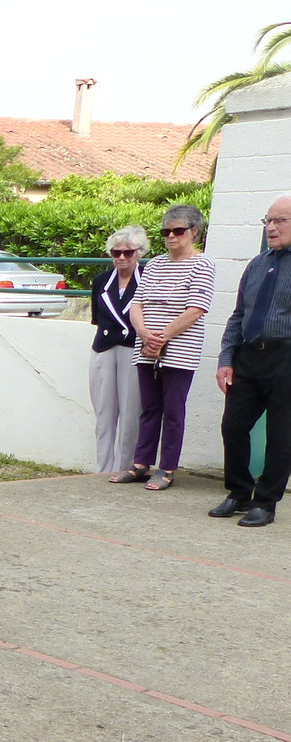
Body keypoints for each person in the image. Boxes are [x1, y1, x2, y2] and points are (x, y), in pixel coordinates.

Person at [109, 205, 216, 491]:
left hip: (179, 350)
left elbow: (197, 308)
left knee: (173, 409)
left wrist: (163, 337)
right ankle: (141, 464)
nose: (171, 236)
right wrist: (145, 334)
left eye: (178, 231)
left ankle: (167, 467)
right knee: (149, 407)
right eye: (166, 231)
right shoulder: (155, 264)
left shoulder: (203, 264)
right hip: (146, 348)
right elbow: (137, 303)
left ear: (194, 232)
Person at [210, 194, 291, 527]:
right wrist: (226, 357)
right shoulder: (257, 264)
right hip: (248, 358)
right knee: (233, 425)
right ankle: (239, 493)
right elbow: (238, 315)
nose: (270, 227)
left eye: (279, 221)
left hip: (286, 358)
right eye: (267, 221)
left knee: (281, 434)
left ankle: (266, 502)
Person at [89, 226, 149, 473]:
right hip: (104, 349)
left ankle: (125, 468)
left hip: (132, 349)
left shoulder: (148, 278)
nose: (121, 258)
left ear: (139, 252)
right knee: (104, 413)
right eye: (116, 252)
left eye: (128, 252)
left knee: (130, 413)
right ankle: (103, 468)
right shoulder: (101, 281)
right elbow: (97, 318)